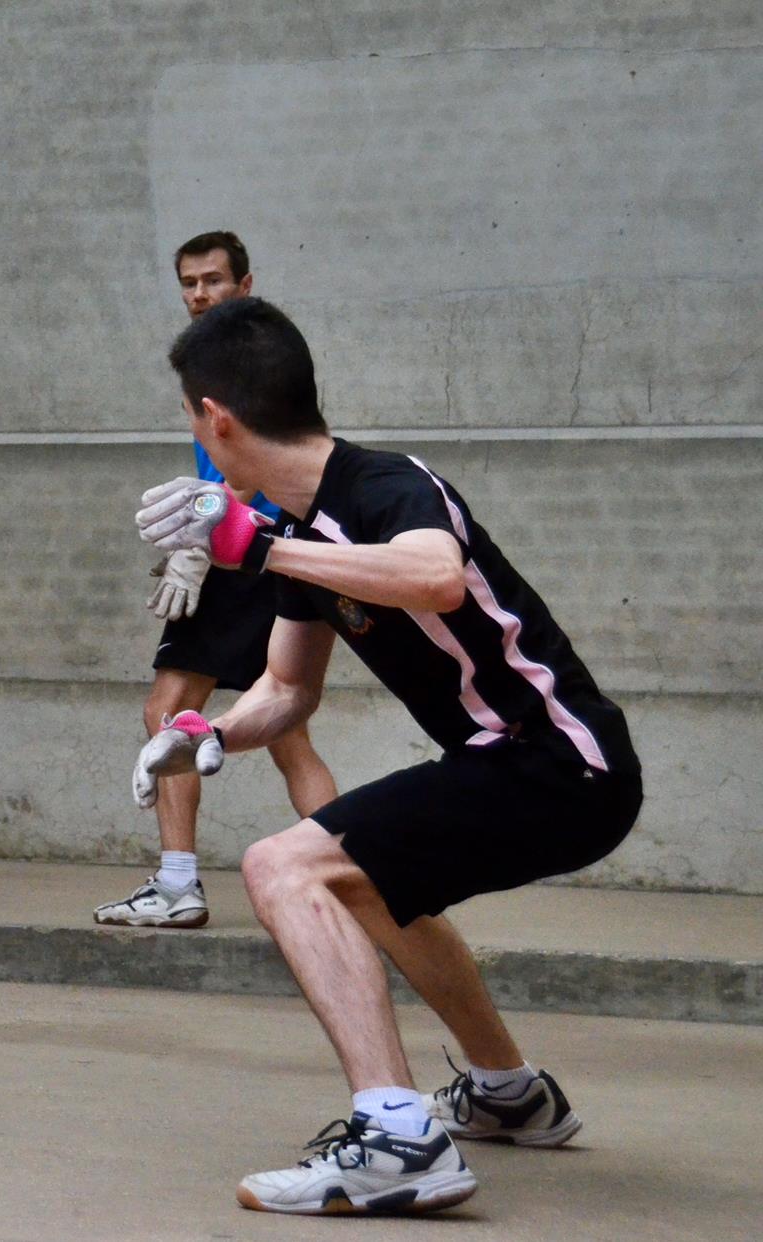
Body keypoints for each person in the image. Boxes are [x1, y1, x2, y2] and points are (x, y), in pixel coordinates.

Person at [134, 298, 640, 1215]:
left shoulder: (385, 488)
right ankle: (506, 1093)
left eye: (187, 414)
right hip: (514, 766)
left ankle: (397, 1139)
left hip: (556, 760)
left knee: (282, 866)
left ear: (215, 418)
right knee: (367, 882)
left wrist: (261, 545)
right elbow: (288, 691)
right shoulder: (299, 533)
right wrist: (199, 734)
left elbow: (432, 575)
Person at [95, 233, 336, 930]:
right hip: (281, 553)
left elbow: (246, 465)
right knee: (285, 731)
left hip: (246, 556)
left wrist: (198, 545)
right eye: (188, 283)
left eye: (212, 281)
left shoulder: (230, 368)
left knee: (165, 714)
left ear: (245, 284)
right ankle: (359, 880)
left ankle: (176, 884)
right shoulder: (264, 355)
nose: (198, 294)